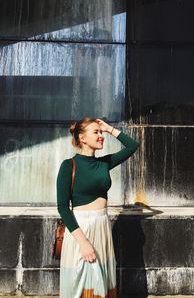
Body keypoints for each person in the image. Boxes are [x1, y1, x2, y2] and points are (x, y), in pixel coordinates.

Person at [56, 117, 140, 298]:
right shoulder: (68, 166)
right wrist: (84, 243)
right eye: (96, 132)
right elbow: (63, 208)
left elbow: (133, 146)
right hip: (81, 230)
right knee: (82, 283)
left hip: (102, 227)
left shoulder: (104, 163)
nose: (101, 136)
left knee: (102, 284)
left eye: (101, 132)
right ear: (82, 138)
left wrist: (109, 129)